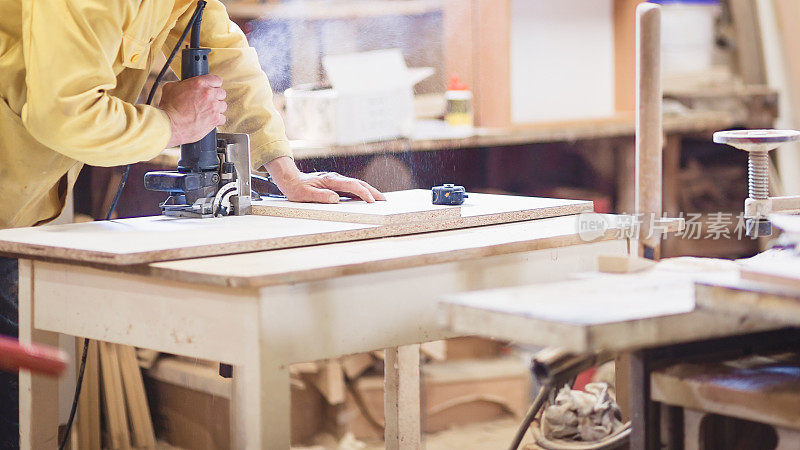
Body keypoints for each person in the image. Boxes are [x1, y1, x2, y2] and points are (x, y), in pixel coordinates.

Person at [0, 0, 385, 446]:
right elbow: (64, 114)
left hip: (17, 217)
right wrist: (169, 125)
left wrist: (286, 173)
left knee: (15, 409)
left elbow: (226, 62)